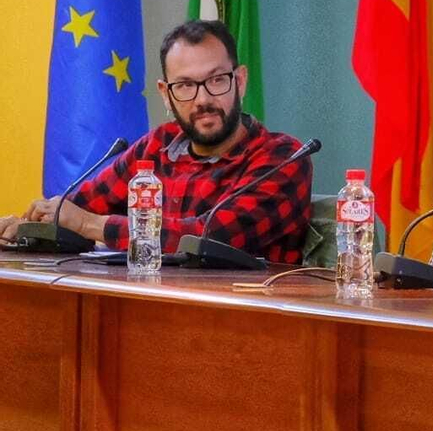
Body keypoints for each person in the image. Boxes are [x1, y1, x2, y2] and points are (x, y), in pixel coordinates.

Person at [0, 19, 312, 262]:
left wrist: (87, 225)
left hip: (242, 325)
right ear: (166, 93)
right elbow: (76, 207)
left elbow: (208, 238)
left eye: (217, 80)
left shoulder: (282, 157)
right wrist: (27, 227)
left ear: (240, 81)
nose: (203, 99)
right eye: (186, 86)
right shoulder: (158, 145)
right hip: (147, 310)